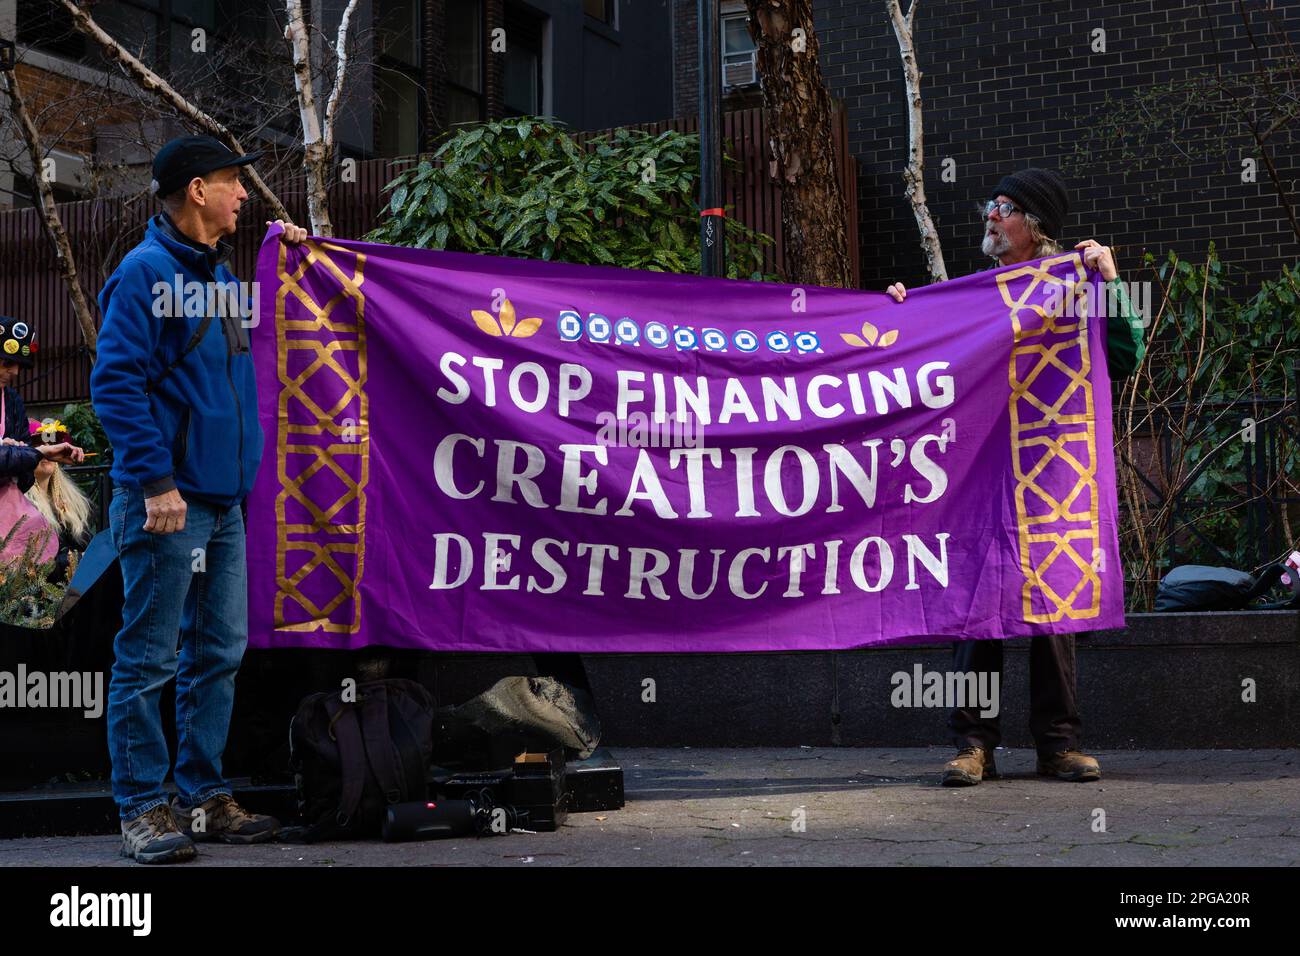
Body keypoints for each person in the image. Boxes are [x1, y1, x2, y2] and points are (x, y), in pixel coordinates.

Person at [885, 168, 1146, 786]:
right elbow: (921, 354)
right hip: (979, 472)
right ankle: (974, 745)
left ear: (1036, 223)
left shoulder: (1076, 286)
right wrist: (900, 310)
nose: (990, 218)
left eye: (1003, 208)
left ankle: (1058, 745)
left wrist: (1111, 281)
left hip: (1052, 467)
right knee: (977, 604)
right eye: (991, 206)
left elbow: (1127, 356)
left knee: (1056, 604)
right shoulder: (975, 293)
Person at [91, 134, 308, 863]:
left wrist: (297, 252)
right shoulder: (144, 273)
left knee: (217, 653)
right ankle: (144, 809)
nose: (244, 194)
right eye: (231, 182)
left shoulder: (214, 277)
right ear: (195, 190)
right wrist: (156, 482)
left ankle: (204, 798)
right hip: (168, 502)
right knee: (149, 659)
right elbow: (114, 386)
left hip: (221, 503)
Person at [0, 322, 85, 564]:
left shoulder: (13, 401)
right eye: (7, 362)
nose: (15, 372)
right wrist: (29, 453)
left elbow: (24, 476)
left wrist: (22, 455)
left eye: (19, 364)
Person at [23, 418, 93, 582]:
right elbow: (32, 568)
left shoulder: (75, 501)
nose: (47, 451)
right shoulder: (20, 503)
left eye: (51, 445)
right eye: (38, 446)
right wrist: (75, 561)